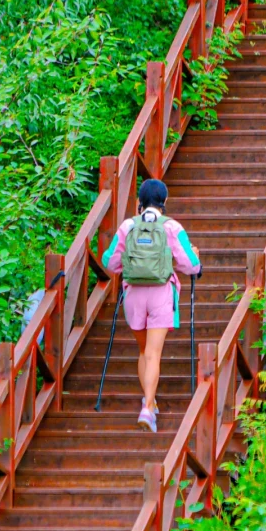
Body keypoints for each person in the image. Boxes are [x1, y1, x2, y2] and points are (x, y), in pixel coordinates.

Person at [101, 178, 201, 433]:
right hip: (161, 294)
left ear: (139, 202)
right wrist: (196, 259)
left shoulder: (127, 226)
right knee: (154, 354)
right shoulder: (172, 227)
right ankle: (147, 408)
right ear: (164, 201)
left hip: (133, 295)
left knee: (143, 351)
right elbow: (190, 265)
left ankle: (151, 400)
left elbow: (109, 262)